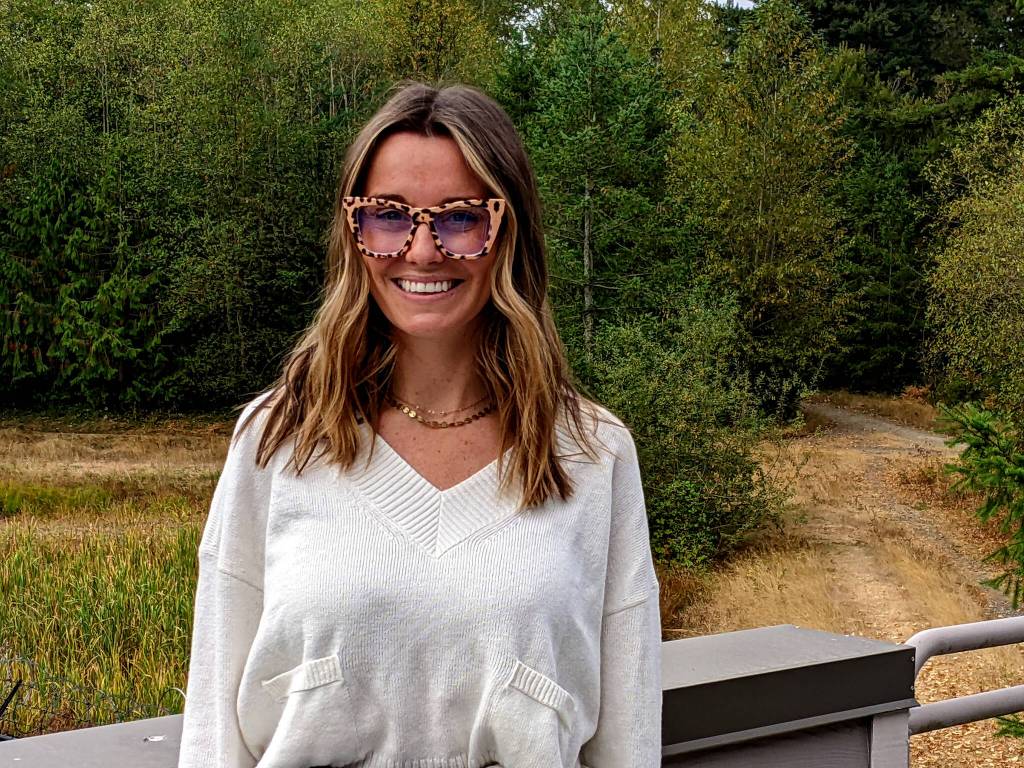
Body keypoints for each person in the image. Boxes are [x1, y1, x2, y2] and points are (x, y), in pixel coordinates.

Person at [177, 81, 661, 768]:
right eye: (389, 217)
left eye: (461, 218)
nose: (424, 251)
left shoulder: (591, 453)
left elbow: (629, 739)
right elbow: (212, 733)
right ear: (354, 233)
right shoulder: (279, 440)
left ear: (508, 232)